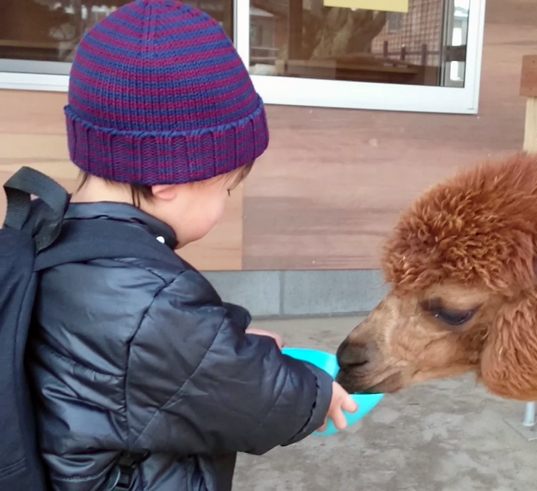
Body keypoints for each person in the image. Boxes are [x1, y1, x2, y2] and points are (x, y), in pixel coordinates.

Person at [26, 1, 357, 489]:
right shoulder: (147, 299)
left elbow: (174, 361)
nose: (226, 202)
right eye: (227, 187)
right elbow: (251, 395)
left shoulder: (58, 238)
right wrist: (315, 392)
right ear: (167, 179)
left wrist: (230, 345)